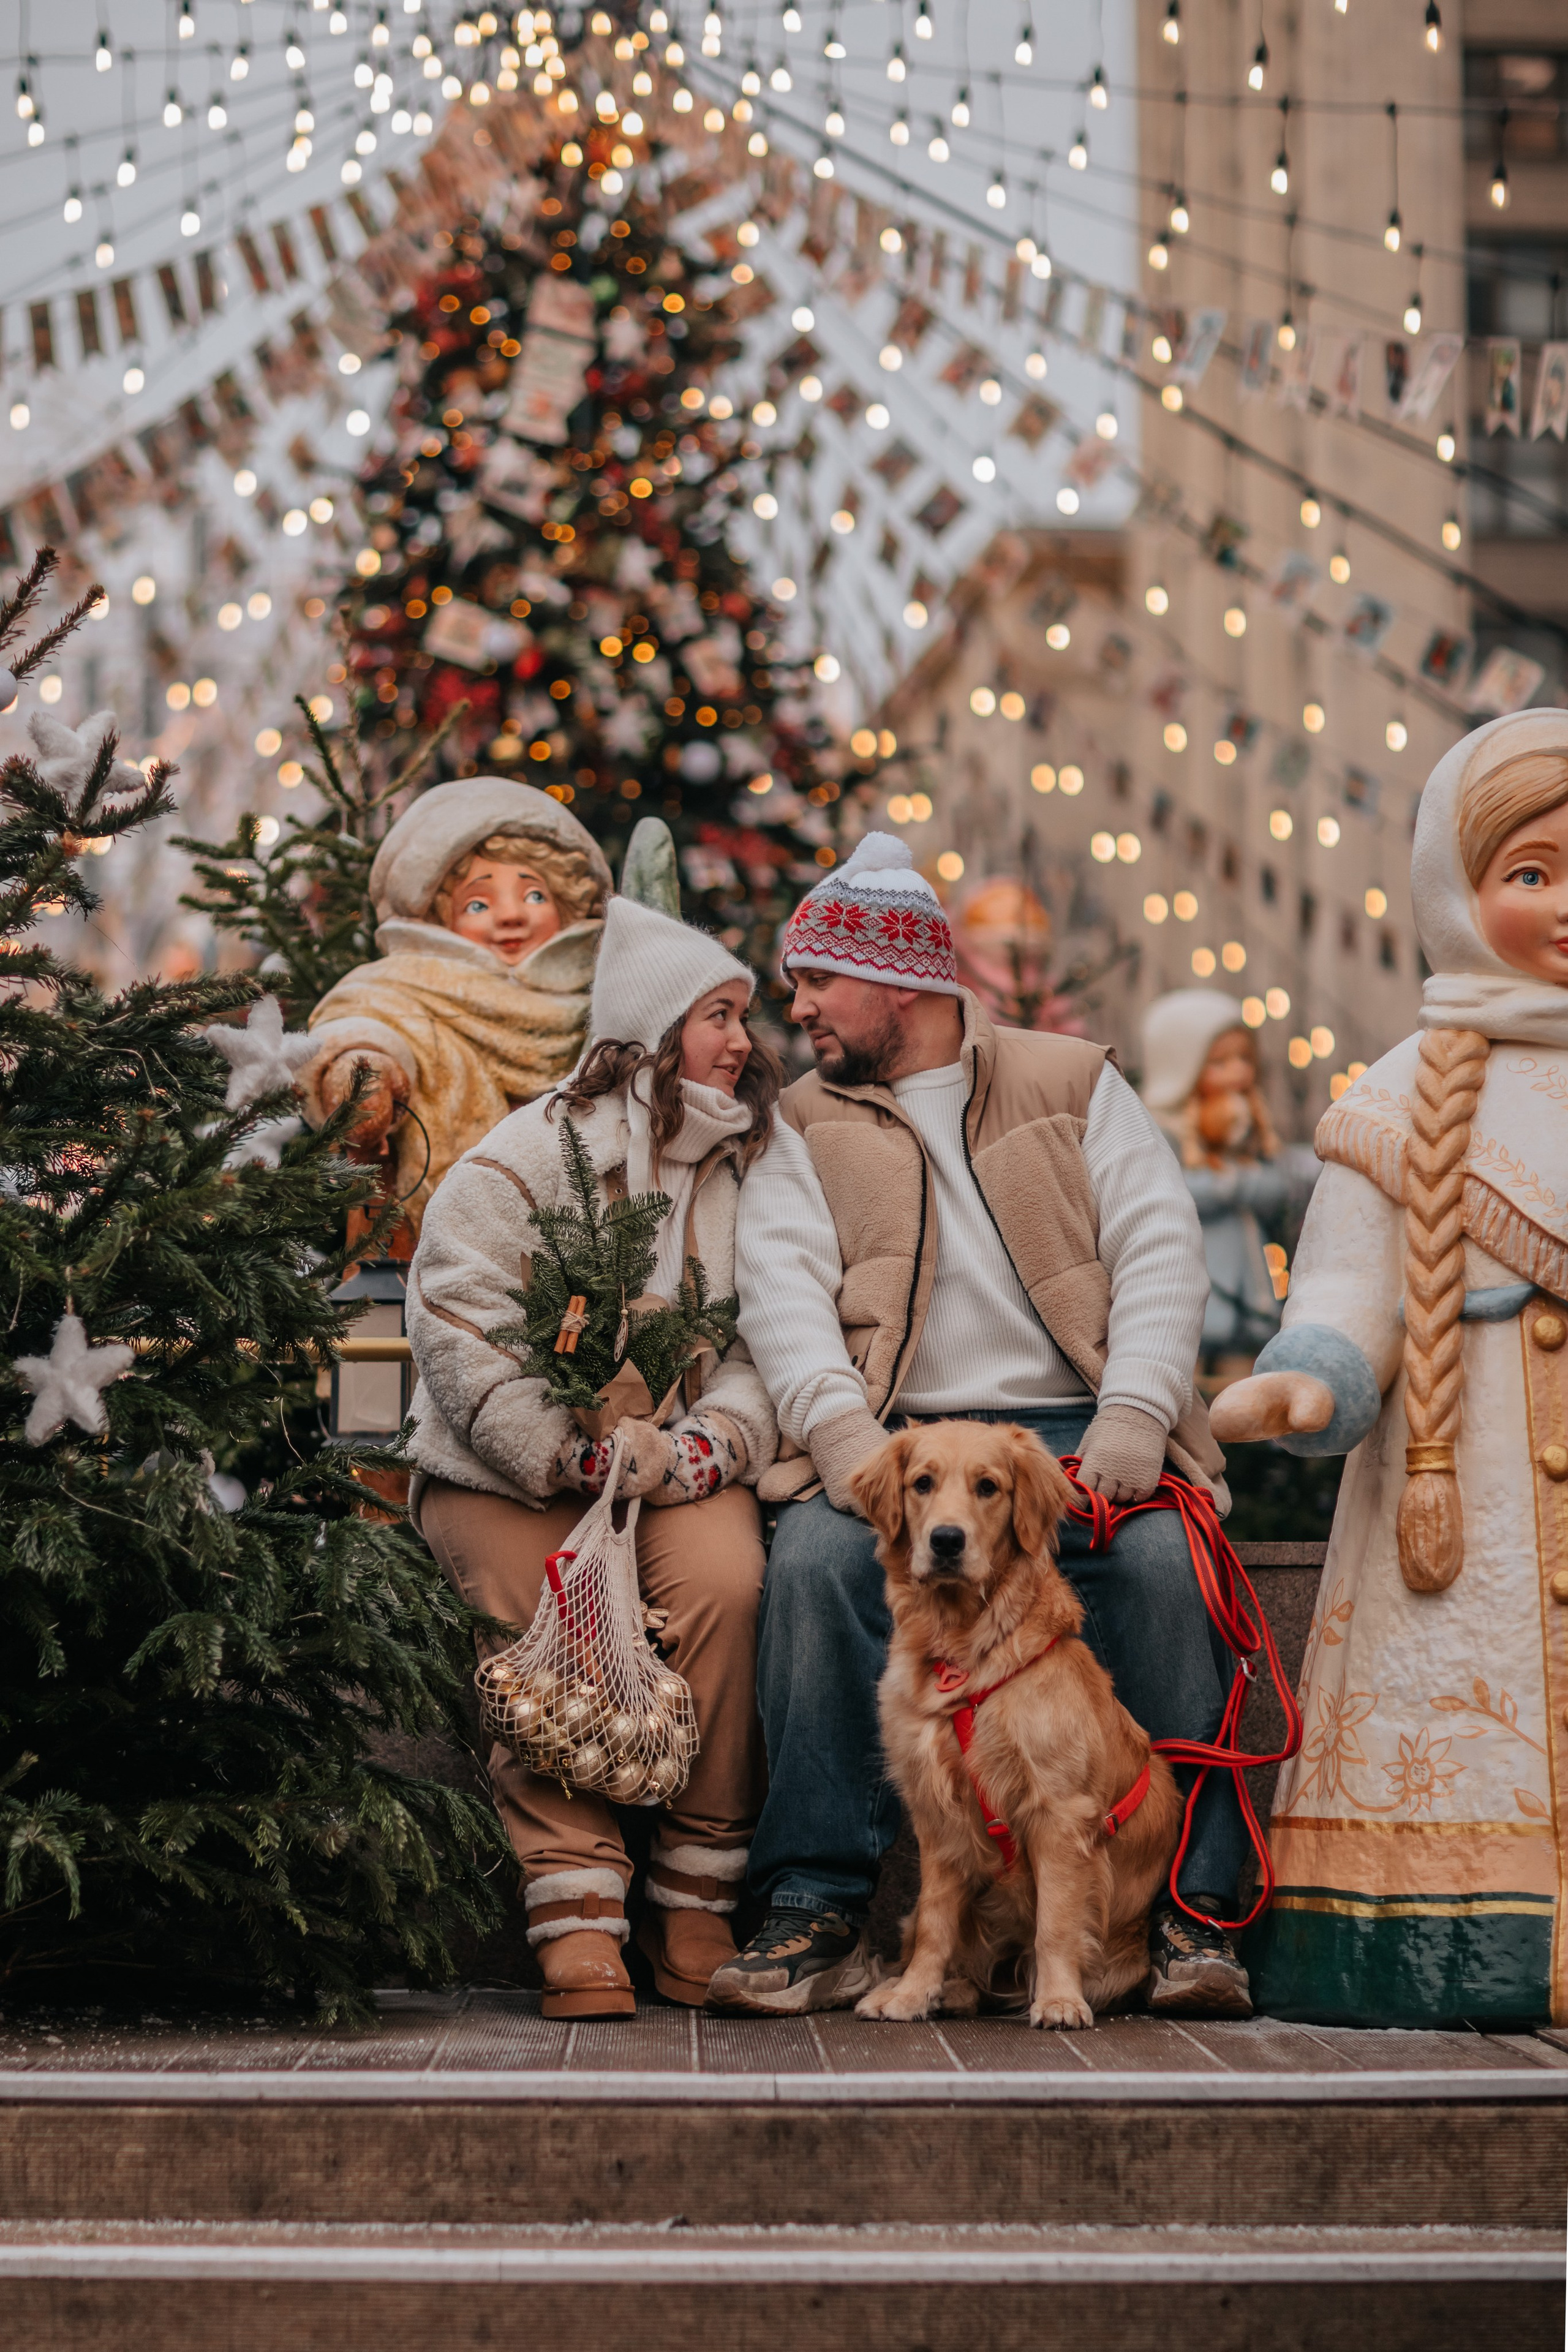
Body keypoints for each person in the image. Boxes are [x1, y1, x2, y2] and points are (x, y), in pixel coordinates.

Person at [710, 833, 1249, 2018]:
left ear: (901, 980)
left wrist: (1131, 1425)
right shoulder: (799, 1122)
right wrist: (857, 1463)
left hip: (1077, 1428)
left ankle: (1189, 1917)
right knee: (808, 1566)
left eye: (816, 981)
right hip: (900, 1446)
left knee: (1160, 1565)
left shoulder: (1071, 1080)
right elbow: (784, 1301)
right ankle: (814, 1903)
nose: (794, 1008)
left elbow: (1160, 1251)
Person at [1215, 710, 1568, 2026]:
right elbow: (1356, 1283)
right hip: (1454, 1513)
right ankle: (1435, 1939)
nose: (1559, 904)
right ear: (1455, 893)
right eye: (1528, 873)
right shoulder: (1404, 1096)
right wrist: (1306, 1376)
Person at [406, 897, 781, 2017]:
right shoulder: (521, 1159)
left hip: (671, 1469)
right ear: (654, 1035)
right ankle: (573, 1904)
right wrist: (564, 1453)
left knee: (731, 1586)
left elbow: (772, 1344)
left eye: (744, 1018)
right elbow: (456, 1319)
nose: (742, 1043)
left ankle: (696, 1895)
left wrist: (700, 1453)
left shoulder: (751, 1172)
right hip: (510, 1474)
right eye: (719, 1016)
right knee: (538, 1608)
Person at [299, 778, 612, 1248]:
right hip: (442, 1255)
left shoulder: (605, 999)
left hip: (592, 1254)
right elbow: (368, 1020)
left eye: (534, 896)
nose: (511, 916)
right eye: (479, 903)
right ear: (441, 918)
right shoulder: (408, 987)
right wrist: (364, 1068)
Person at [1140, 989, 1319, 1380]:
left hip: (1250, 1275)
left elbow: (1278, 1185)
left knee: (1241, 1371)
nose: (1238, 1071)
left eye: (1244, 1058)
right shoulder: (1158, 1130)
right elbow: (1171, 1192)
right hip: (1191, 1280)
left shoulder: (1248, 1123)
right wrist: (1233, 1185)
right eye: (1220, 1062)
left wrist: (1242, 1179)